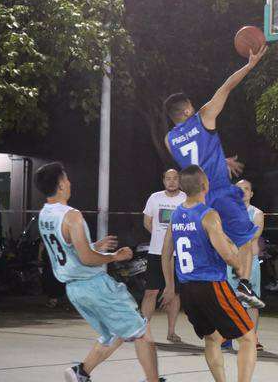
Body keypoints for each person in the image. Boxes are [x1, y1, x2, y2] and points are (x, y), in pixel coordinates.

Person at [34, 162, 162, 382]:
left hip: (75, 290)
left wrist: (95, 245)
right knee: (142, 331)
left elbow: (69, 250)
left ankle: (81, 373)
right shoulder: (72, 216)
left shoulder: (44, 215)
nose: (70, 182)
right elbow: (86, 258)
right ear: (61, 185)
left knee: (113, 333)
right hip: (94, 285)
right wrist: (114, 256)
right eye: (66, 178)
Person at [163, 44, 268, 309]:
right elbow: (226, 87)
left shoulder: (169, 139)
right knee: (248, 238)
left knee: (216, 242)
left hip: (198, 197)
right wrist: (249, 65)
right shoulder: (203, 117)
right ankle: (244, 286)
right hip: (219, 189)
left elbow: (193, 162)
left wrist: (221, 161)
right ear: (187, 110)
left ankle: (217, 288)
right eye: (191, 106)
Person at [161, 165, 257, 382]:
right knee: (248, 338)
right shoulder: (208, 215)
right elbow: (228, 256)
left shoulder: (176, 215)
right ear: (205, 185)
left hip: (187, 288)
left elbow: (166, 254)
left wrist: (169, 286)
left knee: (212, 338)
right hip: (211, 285)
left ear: (183, 187)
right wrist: (237, 259)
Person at [141, 169, 186, 341]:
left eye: (175, 178)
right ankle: (143, 331)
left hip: (178, 255)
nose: (172, 181)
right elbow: (147, 221)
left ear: (180, 181)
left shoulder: (185, 199)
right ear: (163, 180)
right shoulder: (155, 198)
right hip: (156, 252)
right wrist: (161, 238)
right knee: (150, 292)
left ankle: (171, 332)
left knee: (174, 293)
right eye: (168, 178)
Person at [223, 179, 265, 351]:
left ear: (251, 193)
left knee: (251, 301)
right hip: (231, 263)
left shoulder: (257, 213)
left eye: (246, 189)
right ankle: (227, 337)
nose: (242, 192)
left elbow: (254, 234)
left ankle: (252, 338)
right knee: (228, 301)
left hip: (249, 263)